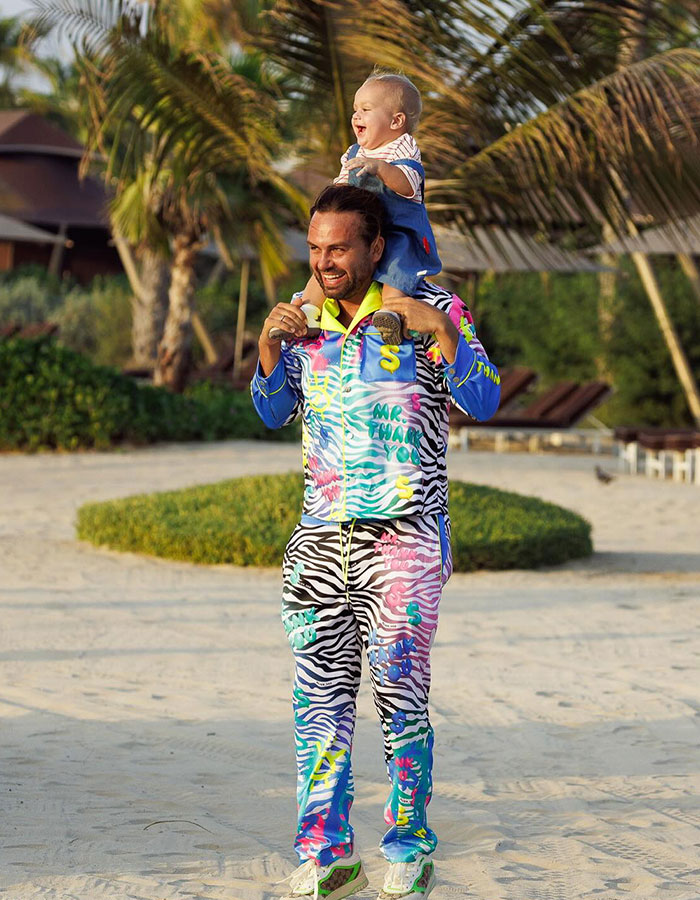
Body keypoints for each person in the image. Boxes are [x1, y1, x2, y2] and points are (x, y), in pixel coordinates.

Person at [251, 184, 500, 900]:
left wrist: (440, 329)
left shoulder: (430, 309)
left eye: (338, 249)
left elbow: (485, 399)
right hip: (318, 540)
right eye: (315, 248)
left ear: (376, 247)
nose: (324, 262)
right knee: (317, 704)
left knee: (399, 697)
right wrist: (268, 350)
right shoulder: (303, 319)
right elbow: (273, 411)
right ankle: (328, 855)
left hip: (406, 540)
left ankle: (410, 847)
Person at [268, 70, 441, 347]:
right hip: (360, 231)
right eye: (355, 109)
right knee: (321, 274)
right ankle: (309, 313)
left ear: (396, 121)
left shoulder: (402, 147)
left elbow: (409, 185)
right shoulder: (354, 153)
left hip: (398, 230)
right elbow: (342, 184)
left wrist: (380, 168)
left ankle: (392, 314)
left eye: (366, 110)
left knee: (397, 271)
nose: (356, 116)